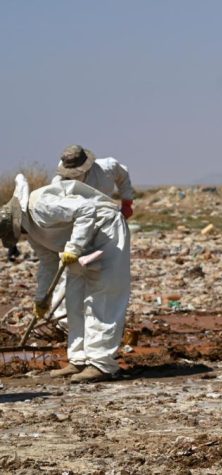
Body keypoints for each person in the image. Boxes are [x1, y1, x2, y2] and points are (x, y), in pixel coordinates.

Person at [0, 174, 131, 383]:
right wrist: (42, 299)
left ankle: (101, 364)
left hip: (105, 231)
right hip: (79, 244)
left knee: (101, 297)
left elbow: (86, 209)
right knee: (74, 299)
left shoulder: (40, 206)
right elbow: (48, 264)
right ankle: (78, 359)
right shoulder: (33, 232)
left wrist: (74, 247)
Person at [51, 144, 135, 324]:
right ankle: (60, 320)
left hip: (105, 224)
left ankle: (99, 316)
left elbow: (123, 175)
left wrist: (127, 201)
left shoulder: (107, 167)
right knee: (68, 269)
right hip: (77, 227)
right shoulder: (59, 182)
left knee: (103, 271)